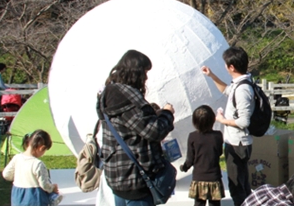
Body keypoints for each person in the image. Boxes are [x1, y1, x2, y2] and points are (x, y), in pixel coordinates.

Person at [96, 49, 175, 206]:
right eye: (144, 72)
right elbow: (154, 131)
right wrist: (167, 113)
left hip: (117, 174)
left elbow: (129, 128)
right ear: (136, 72)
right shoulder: (127, 98)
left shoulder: (108, 94)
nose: (146, 78)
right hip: (136, 177)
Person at [201, 46, 255, 206]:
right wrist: (212, 76)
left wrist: (222, 120)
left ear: (231, 67)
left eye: (226, 64)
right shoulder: (240, 84)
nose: (225, 66)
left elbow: (244, 121)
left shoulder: (243, 89)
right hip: (238, 142)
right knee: (243, 183)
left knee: (237, 186)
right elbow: (226, 90)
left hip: (238, 144)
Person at [2, 130, 63, 206]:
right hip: (34, 197)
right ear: (41, 148)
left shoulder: (17, 158)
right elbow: (44, 185)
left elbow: (6, 174)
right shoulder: (38, 164)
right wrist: (53, 187)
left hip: (17, 196)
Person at [180, 105, 225, 206]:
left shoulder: (192, 136)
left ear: (195, 121)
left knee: (199, 203)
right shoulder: (218, 135)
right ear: (212, 120)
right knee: (215, 204)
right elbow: (220, 152)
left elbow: (190, 160)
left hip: (199, 178)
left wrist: (184, 168)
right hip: (214, 177)